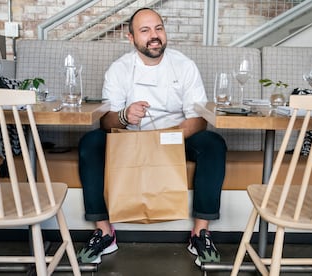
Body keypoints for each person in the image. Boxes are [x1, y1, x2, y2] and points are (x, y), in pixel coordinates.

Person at [77, 7, 227, 267]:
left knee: (214, 144)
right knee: (91, 143)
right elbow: (106, 120)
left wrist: (172, 136)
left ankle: (200, 233)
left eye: (158, 28)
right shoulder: (119, 69)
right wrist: (124, 116)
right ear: (131, 38)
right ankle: (104, 231)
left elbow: (201, 117)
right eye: (145, 31)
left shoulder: (184, 65)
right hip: (130, 139)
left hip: (176, 137)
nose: (154, 36)